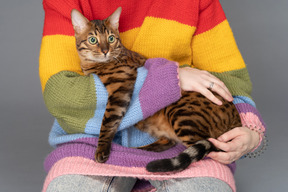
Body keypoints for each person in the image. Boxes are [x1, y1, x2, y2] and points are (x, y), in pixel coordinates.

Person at [39, 0, 266, 191]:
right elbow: (61, 94)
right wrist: (168, 80)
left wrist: (249, 131)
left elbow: (229, 81)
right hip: (92, 143)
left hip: (180, 142)